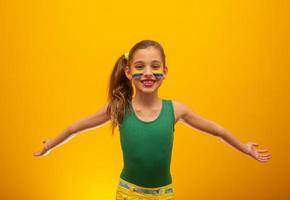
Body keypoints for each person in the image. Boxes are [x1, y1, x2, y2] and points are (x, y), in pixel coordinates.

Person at [33, 39, 272, 199]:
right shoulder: (119, 108)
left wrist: (245, 148)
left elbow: (216, 130)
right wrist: (50, 146)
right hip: (127, 194)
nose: (148, 73)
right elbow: (76, 127)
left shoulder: (176, 110)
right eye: (140, 66)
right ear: (128, 72)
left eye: (155, 66)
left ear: (165, 71)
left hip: (164, 194)